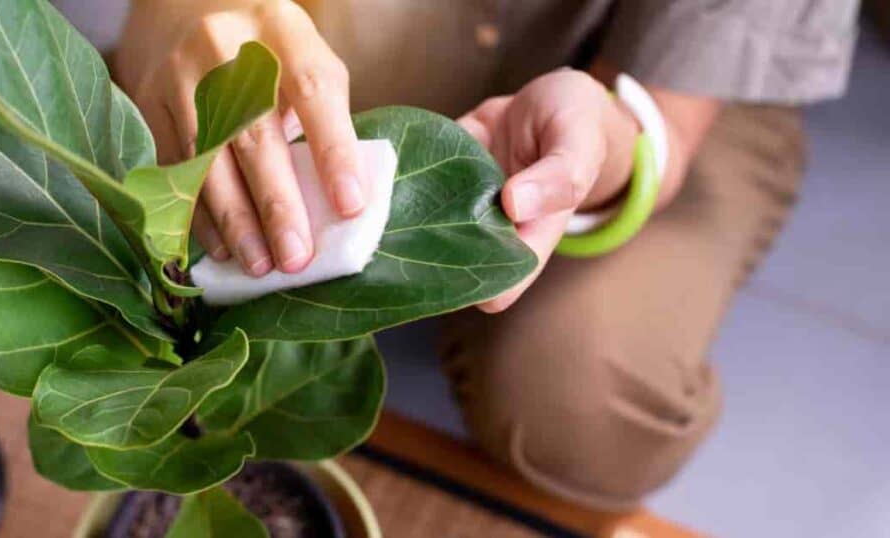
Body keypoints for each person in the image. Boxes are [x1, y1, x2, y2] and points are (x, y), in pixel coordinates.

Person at [110, 0, 860, 510]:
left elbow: (695, 60)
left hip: (642, 69)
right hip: (326, 29)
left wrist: (610, 146)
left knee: (588, 410)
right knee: (123, 215)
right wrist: (198, 31)